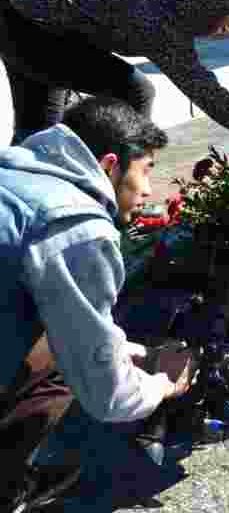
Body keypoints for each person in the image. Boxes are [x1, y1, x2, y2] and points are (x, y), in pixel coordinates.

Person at [1, 96, 194, 512]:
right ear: (109, 165)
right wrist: (160, 387)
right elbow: (105, 389)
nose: (146, 190)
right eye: (145, 171)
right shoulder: (75, 225)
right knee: (65, 367)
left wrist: (131, 350)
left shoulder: (13, 176)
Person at [0, 0, 229, 146]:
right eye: (223, 18)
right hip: (37, 30)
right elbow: (203, 89)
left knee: (36, 133)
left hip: (19, 18)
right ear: (203, 10)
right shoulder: (154, 18)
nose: (225, 28)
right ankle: (125, 184)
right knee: (137, 92)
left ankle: (15, 202)